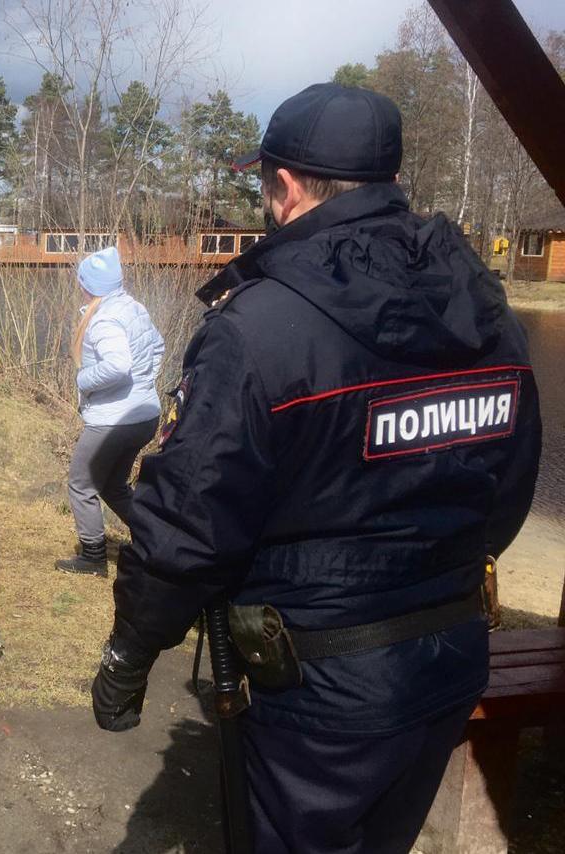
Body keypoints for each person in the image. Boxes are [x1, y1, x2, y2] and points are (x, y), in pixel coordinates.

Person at [90, 83, 541, 853]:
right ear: (390, 183)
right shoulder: (481, 307)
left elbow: (191, 525)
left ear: (286, 186)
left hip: (321, 691)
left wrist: (129, 654)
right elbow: (512, 482)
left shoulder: (260, 328)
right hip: (447, 657)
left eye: (263, 183)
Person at [56, 246, 164, 576]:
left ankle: (92, 557)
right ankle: (155, 541)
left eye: (82, 280)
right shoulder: (132, 307)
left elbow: (117, 366)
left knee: (81, 484)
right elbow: (158, 346)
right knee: (114, 484)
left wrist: (83, 380)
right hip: (144, 415)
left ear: (89, 285)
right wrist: (144, 384)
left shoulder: (103, 320)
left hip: (114, 421)